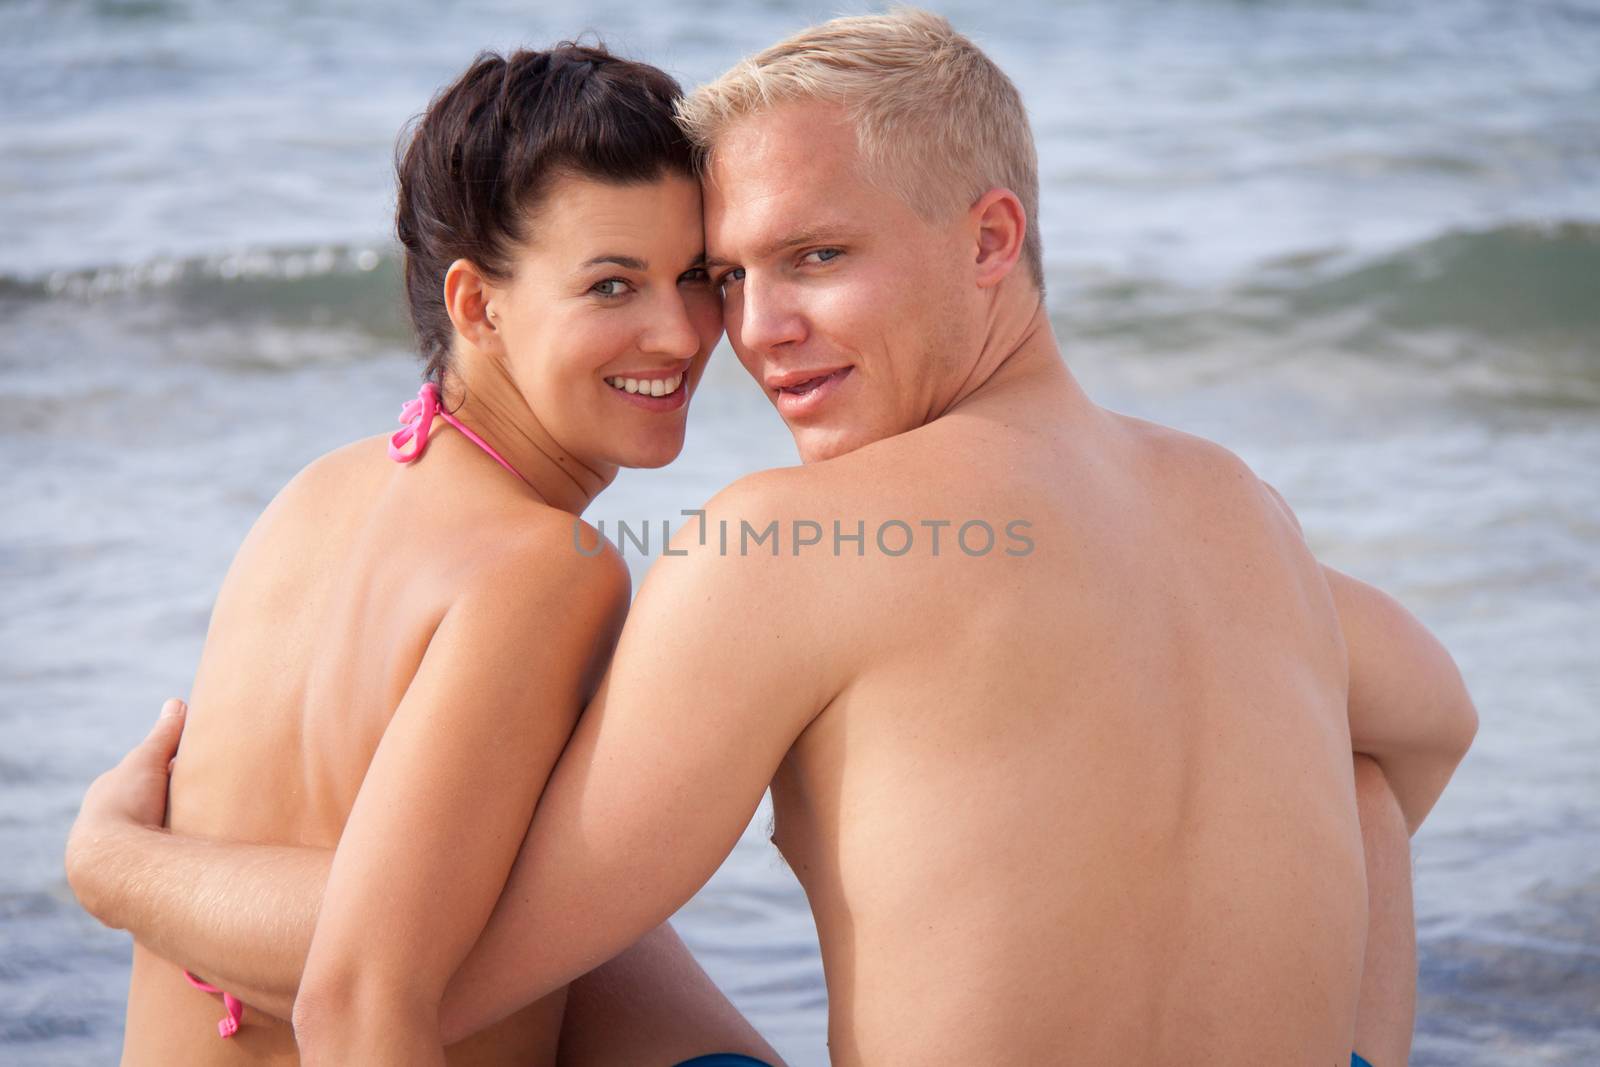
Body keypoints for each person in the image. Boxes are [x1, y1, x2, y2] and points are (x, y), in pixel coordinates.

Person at [67, 10, 1477, 1065]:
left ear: (994, 240)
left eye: (815, 257)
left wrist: (132, 869)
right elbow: (1430, 724)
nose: (741, 332)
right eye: (728, 274)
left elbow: (405, 973)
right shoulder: (1241, 508)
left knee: (575, 945)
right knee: (1346, 776)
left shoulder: (782, 546)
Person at [74, 40, 782, 1067]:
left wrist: (116, 863)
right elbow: (361, 996)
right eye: (612, 285)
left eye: (694, 275)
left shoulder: (314, 494)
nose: (678, 332)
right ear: (475, 304)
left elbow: (391, 907)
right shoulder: (546, 567)